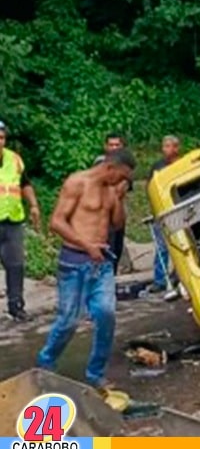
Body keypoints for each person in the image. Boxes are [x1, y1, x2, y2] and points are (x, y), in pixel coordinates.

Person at [37, 148, 137, 391]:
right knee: (69, 320)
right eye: (121, 176)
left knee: (106, 313)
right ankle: (45, 361)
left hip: (100, 262)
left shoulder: (112, 190)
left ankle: (96, 373)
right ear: (110, 168)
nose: (122, 181)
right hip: (74, 260)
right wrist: (86, 245)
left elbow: (117, 223)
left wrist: (121, 198)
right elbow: (56, 222)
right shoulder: (77, 182)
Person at [0, 120, 42, 322]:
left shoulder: (14, 159)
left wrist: (33, 205)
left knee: (16, 265)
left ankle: (16, 306)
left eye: (1, 137)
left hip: (13, 221)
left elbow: (25, 184)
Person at [93, 132, 132, 275]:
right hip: (103, 214)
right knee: (106, 249)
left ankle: (111, 280)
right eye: (111, 145)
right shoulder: (100, 162)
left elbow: (125, 187)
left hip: (118, 213)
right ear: (105, 146)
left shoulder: (126, 164)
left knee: (117, 248)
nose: (114, 148)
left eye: (117, 145)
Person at [146, 135, 181, 295]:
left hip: (180, 209)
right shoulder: (157, 166)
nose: (166, 149)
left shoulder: (182, 164)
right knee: (161, 247)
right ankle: (160, 280)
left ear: (176, 148)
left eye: (169, 146)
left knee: (181, 245)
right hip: (161, 211)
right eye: (164, 146)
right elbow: (150, 189)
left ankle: (180, 276)